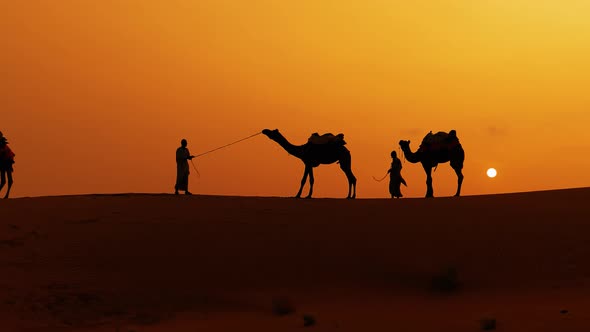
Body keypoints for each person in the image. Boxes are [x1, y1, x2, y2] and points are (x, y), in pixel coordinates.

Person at [0, 131, 15, 199]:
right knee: (3, 181)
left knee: (8, 180)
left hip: (7, 161)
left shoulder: (2, 145)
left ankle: (7, 195)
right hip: (3, 161)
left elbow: (3, 152)